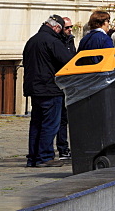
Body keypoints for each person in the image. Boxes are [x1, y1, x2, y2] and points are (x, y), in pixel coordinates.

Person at [22, 15, 71, 167]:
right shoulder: (53, 41)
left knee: (36, 123)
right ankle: (45, 156)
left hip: (35, 88)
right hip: (50, 88)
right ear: (56, 27)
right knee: (50, 124)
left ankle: (34, 157)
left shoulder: (32, 40)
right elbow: (68, 61)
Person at [55, 16, 75, 160]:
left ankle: (66, 146)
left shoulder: (70, 40)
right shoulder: (57, 41)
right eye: (67, 27)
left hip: (70, 83)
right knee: (61, 118)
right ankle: (62, 147)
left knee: (67, 117)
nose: (69, 30)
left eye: (71, 27)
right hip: (59, 83)